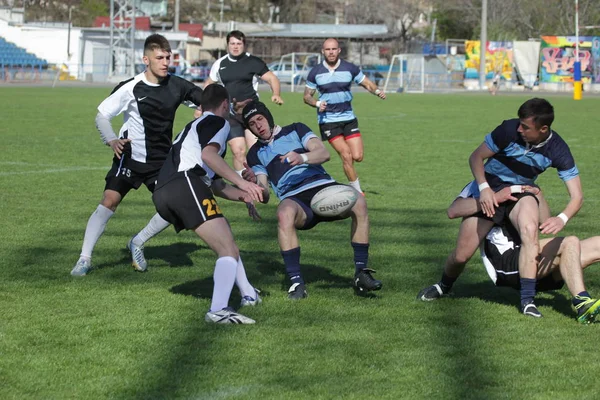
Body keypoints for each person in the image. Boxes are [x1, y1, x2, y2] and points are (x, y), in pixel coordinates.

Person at [418, 98, 583, 318]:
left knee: (529, 231)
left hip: (520, 192)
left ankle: (527, 301)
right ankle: (443, 286)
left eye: (526, 127)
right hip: (490, 189)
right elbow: (476, 157)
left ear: (543, 129)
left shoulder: (558, 150)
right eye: (520, 124)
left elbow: (577, 196)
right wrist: (485, 189)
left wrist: (562, 218)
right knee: (461, 255)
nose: (519, 129)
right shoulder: (508, 129)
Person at [71, 34, 204, 276]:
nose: (165, 62)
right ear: (146, 59)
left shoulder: (178, 85)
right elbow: (102, 115)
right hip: (130, 156)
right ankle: (84, 258)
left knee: (172, 208)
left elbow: (206, 101)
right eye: (159, 58)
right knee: (109, 200)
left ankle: (137, 242)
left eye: (168, 57)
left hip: (161, 161)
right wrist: (111, 139)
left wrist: (203, 110)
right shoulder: (130, 87)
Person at [239, 101, 382, 299]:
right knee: (283, 213)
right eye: (252, 124)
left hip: (323, 186)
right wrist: (254, 185)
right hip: (294, 197)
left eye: (260, 119)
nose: (258, 126)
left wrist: (303, 158)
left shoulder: (296, 129)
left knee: (359, 201)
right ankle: (297, 283)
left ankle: (361, 273)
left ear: (268, 117)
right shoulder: (255, 154)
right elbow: (265, 194)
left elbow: (324, 153)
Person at [152, 84, 265, 324]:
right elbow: (209, 157)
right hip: (184, 184)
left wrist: (244, 196)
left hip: (167, 190)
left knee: (227, 241)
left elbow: (215, 184)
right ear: (225, 104)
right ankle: (218, 310)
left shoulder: (194, 127)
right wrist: (244, 184)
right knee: (226, 248)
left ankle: (248, 294)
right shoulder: (217, 123)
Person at [303, 38, 386, 195]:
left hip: (348, 118)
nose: (331, 52)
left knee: (358, 156)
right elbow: (306, 96)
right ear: (323, 51)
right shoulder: (316, 72)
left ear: (339, 50)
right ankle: (357, 191)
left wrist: (376, 91)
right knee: (346, 155)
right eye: (328, 49)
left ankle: (351, 179)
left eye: (334, 49)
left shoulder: (350, 68)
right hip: (328, 121)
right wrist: (316, 103)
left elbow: (366, 83)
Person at [480, 222, 600, 324]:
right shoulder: (483, 197)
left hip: (532, 259)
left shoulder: (524, 196)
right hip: (508, 266)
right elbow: (461, 255)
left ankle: (584, 304)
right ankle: (582, 303)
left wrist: (561, 218)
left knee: (597, 244)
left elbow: (546, 217)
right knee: (570, 242)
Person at [202, 30, 283, 176]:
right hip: (231, 114)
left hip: (251, 112)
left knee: (255, 149)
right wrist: (202, 105)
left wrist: (276, 94)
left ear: (244, 45)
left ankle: (261, 178)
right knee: (238, 150)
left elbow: (272, 78)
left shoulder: (253, 62)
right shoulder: (220, 64)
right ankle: (243, 182)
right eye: (232, 43)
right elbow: (209, 84)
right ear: (227, 45)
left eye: (238, 43)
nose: (235, 46)